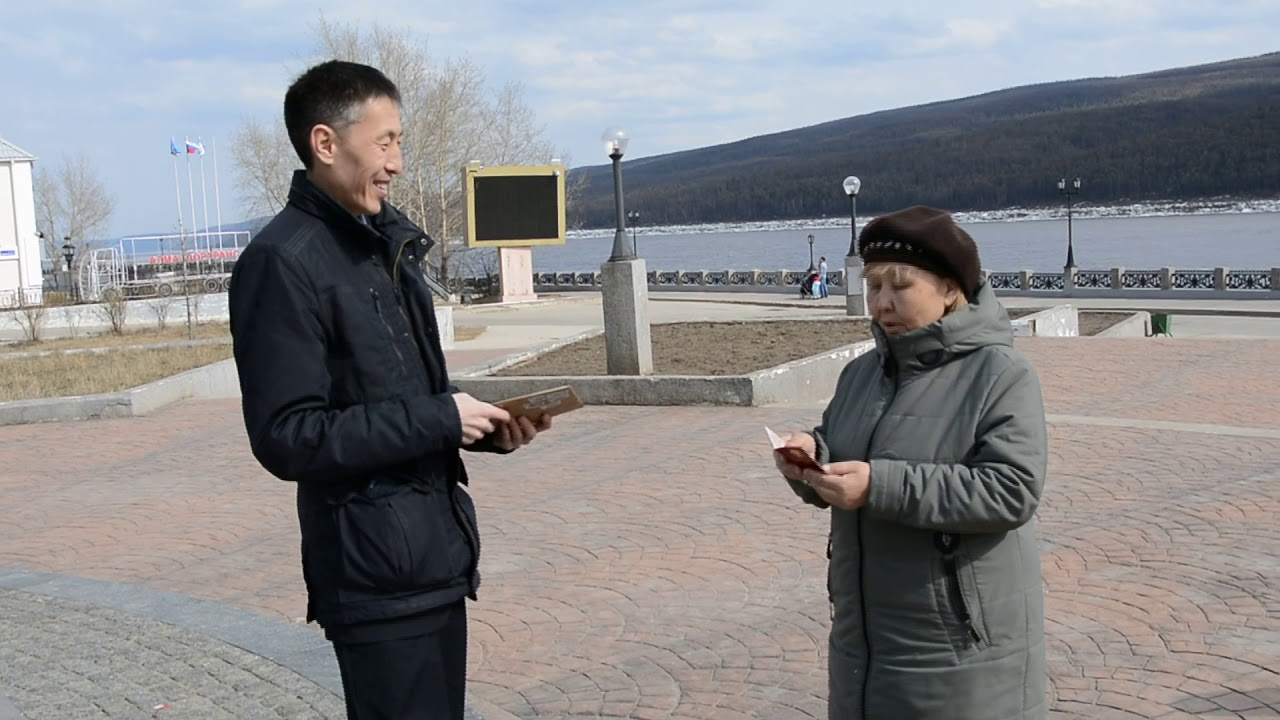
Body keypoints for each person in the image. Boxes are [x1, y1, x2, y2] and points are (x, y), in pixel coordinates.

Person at [228, 60, 549, 720]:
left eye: (399, 141)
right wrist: (439, 419)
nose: (398, 162)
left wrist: (483, 425)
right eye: (386, 141)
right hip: (372, 572)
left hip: (434, 558)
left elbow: (405, 392)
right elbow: (288, 437)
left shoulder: (386, 248)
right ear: (325, 143)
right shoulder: (281, 262)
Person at [773, 206, 1048, 719]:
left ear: (949, 289)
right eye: (874, 286)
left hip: (955, 647)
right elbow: (842, 447)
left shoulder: (1000, 373)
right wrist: (812, 459)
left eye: (899, 286)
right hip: (864, 638)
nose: (881, 303)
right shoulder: (861, 373)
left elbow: (1012, 489)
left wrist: (880, 487)